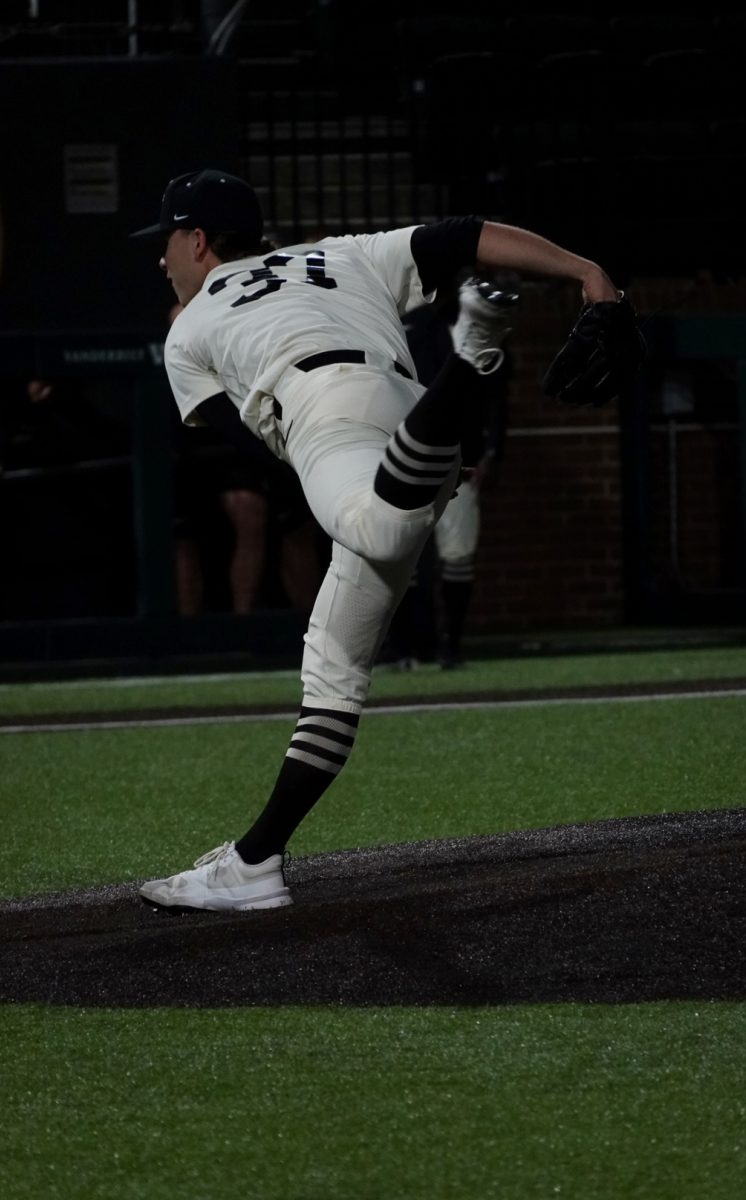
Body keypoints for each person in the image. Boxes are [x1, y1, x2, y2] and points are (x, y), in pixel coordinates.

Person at [131, 168, 620, 912]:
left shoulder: (188, 324)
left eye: (166, 241)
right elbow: (467, 233)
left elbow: (242, 445)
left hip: (330, 420)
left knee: (375, 526)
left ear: (197, 240)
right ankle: (255, 864)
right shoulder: (342, 252)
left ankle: (471, 352)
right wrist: (590, 273)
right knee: (333, 664)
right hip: (407, 416)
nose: (160, 258)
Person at [167, 302, 324, 616]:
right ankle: (187, 635)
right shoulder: (185, 317)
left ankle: (260, 625)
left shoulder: (248, 302)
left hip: (253, 439)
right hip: (193, 446)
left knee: (271, 514)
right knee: (181, 530)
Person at [387, 281, 512, 669]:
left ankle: (450, 648)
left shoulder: (473, 327)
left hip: (460, 455)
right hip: (406, 452)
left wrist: (492, 449)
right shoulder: (402, 324)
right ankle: (410, 649)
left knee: (457, 554)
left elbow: (495, 392)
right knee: (399, 554)